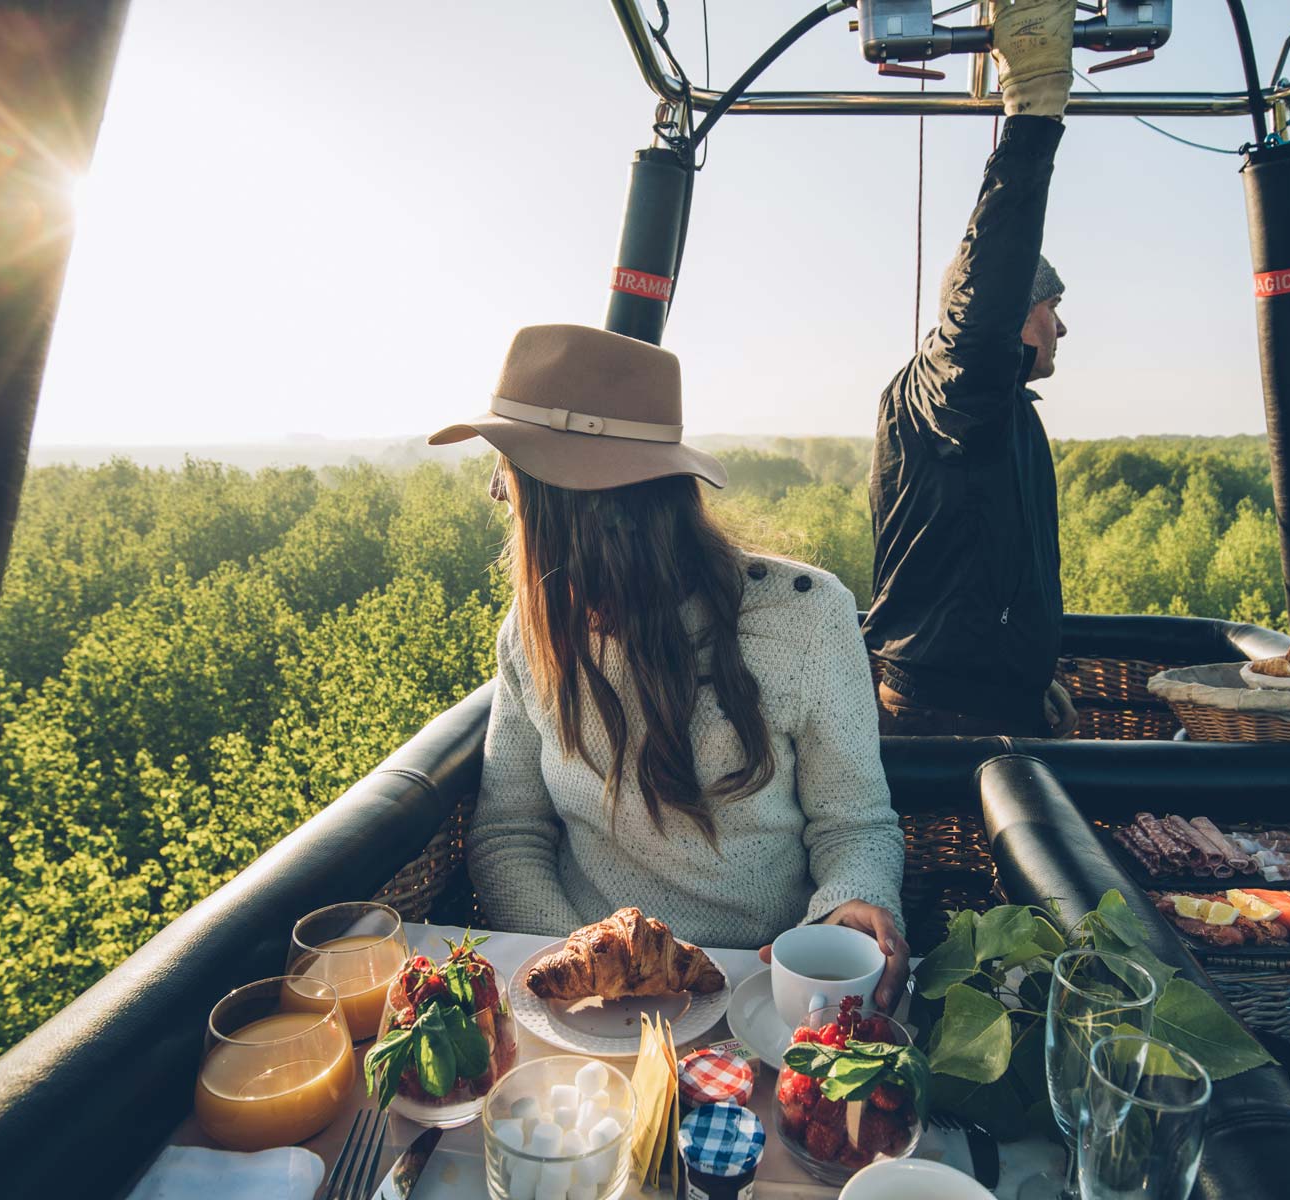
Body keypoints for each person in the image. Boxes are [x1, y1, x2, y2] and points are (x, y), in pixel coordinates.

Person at [430, 324, 909, 1007]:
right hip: (582, 1009)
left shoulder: (807, 618)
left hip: (761, 992)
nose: (497, 497)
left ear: (572, 508)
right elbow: (509, 830)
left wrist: (849, 904)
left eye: (508, 483)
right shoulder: (528, 633)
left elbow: (855, 823)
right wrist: (587, 966)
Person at [864, 0, 1081, 739]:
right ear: (1014, 309)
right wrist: (1034, 114)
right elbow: (989, 275)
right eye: (1053, 306)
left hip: (987, 699)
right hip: (949, 719)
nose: (1063, 327)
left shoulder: (993, 407)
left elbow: (988, 566)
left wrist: (1030, 674)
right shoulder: (956, 385)